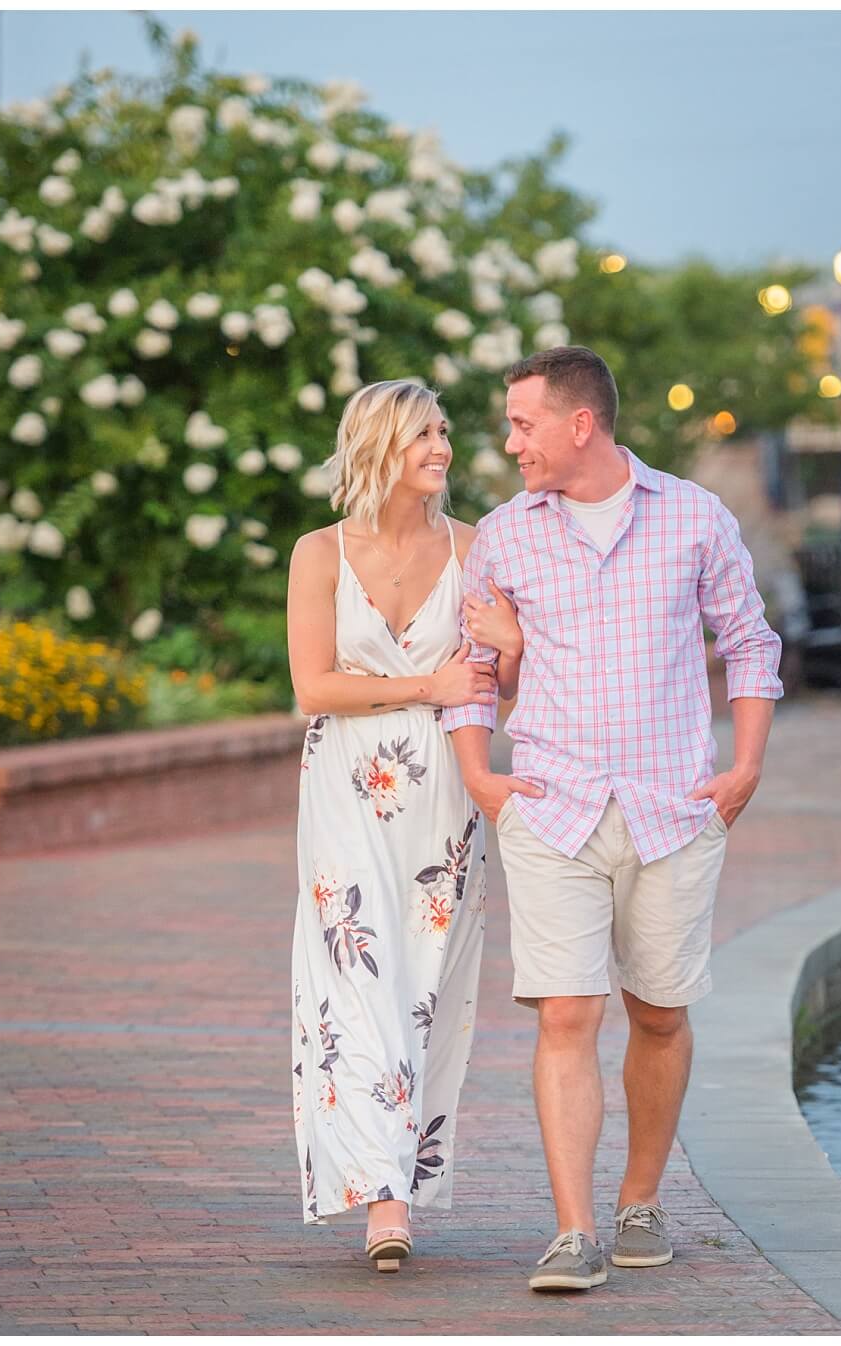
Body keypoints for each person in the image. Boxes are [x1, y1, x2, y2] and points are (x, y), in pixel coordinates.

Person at [442, 346, 784, 1293]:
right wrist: (481, 775)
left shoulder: (694, 517)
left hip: (673, 806)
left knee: (659, 1014)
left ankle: (639, 1199)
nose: (511, 443)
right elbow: (475, 668)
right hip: (552, 806)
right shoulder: (506, 536)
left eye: (523, 423)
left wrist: (744, 767)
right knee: (567, 1012)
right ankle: (574, 1230)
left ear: (578, 423)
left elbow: (751, 644)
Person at [286, 380, 522, 1271]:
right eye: (425, 432)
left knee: (425, 985)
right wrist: (427, 685)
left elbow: (499, 681)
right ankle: (384, 1202)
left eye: (445, 432)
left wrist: (516, 648)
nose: (444, 446)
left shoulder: (475, 547)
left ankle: (401, 1178)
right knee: (357, 976)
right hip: (346, 787)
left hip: (445, 798)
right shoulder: (319, 554)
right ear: (381, 443)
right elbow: (314, 686)